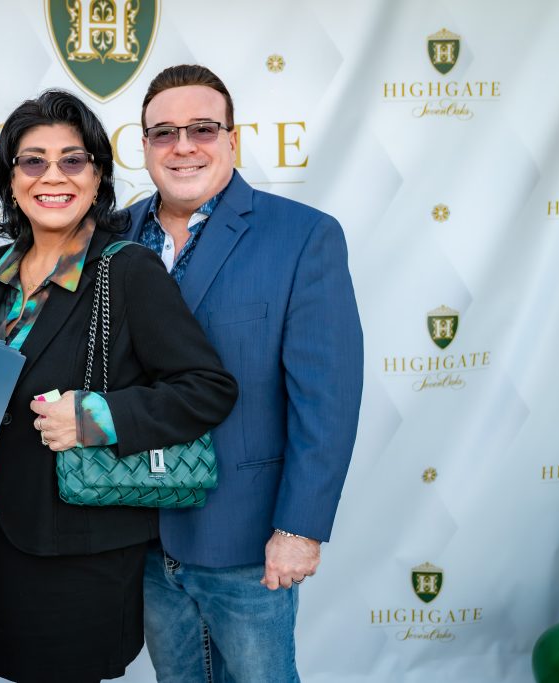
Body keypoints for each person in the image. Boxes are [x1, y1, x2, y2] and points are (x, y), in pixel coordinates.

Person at [0, 89, 238, 683]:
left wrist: (94, 417)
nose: (52, 176)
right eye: (32, 160)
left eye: (72, 159)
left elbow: (208, 388)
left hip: (82, 546)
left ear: (98, 175)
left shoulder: (127, 268)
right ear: (10, 178)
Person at [127, 65, 364, 682]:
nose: (183, 146)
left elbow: (328, 398)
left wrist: (300, 528)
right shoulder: (116, 234)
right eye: (164, 133)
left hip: (248, 539)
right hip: (141, 536)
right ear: (144, 145)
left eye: (202, 128)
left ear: (233, 138)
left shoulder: (303, 235)